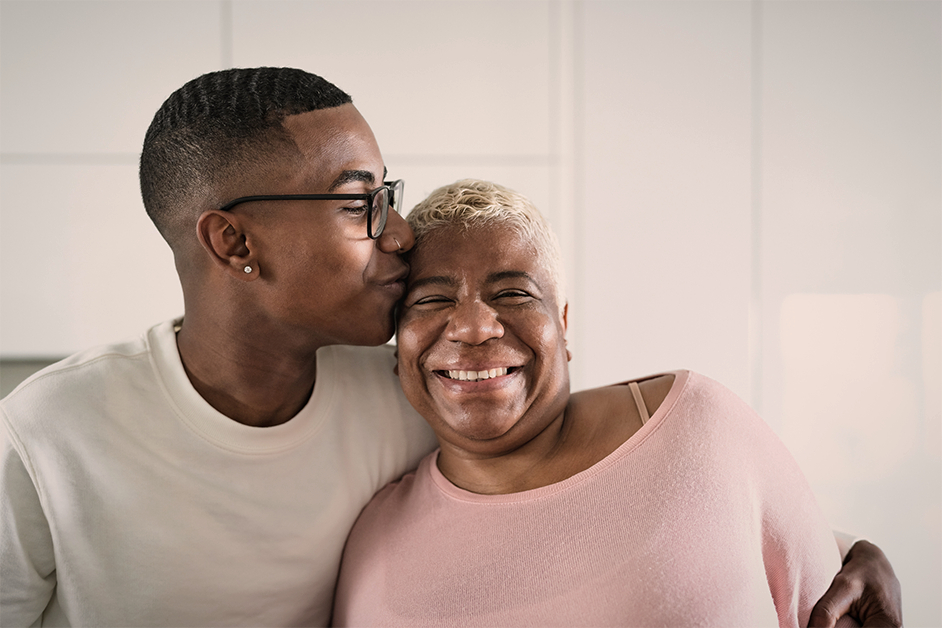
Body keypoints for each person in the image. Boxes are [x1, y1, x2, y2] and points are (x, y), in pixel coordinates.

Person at [0, 69, 898, 627]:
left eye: (389, 198)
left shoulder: (399, 390)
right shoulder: (45, 436)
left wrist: (844, 546)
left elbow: (624, 476)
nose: (395, 235)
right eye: (361, 203)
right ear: (235, 243)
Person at [332, 179, 899, 627]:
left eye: (513, 294)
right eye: (431, 299)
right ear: (398, 343)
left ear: (564, 324)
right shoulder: (371, 539)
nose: (476, 327)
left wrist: (857, 548)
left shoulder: (700, 425)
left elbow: (825, 595)